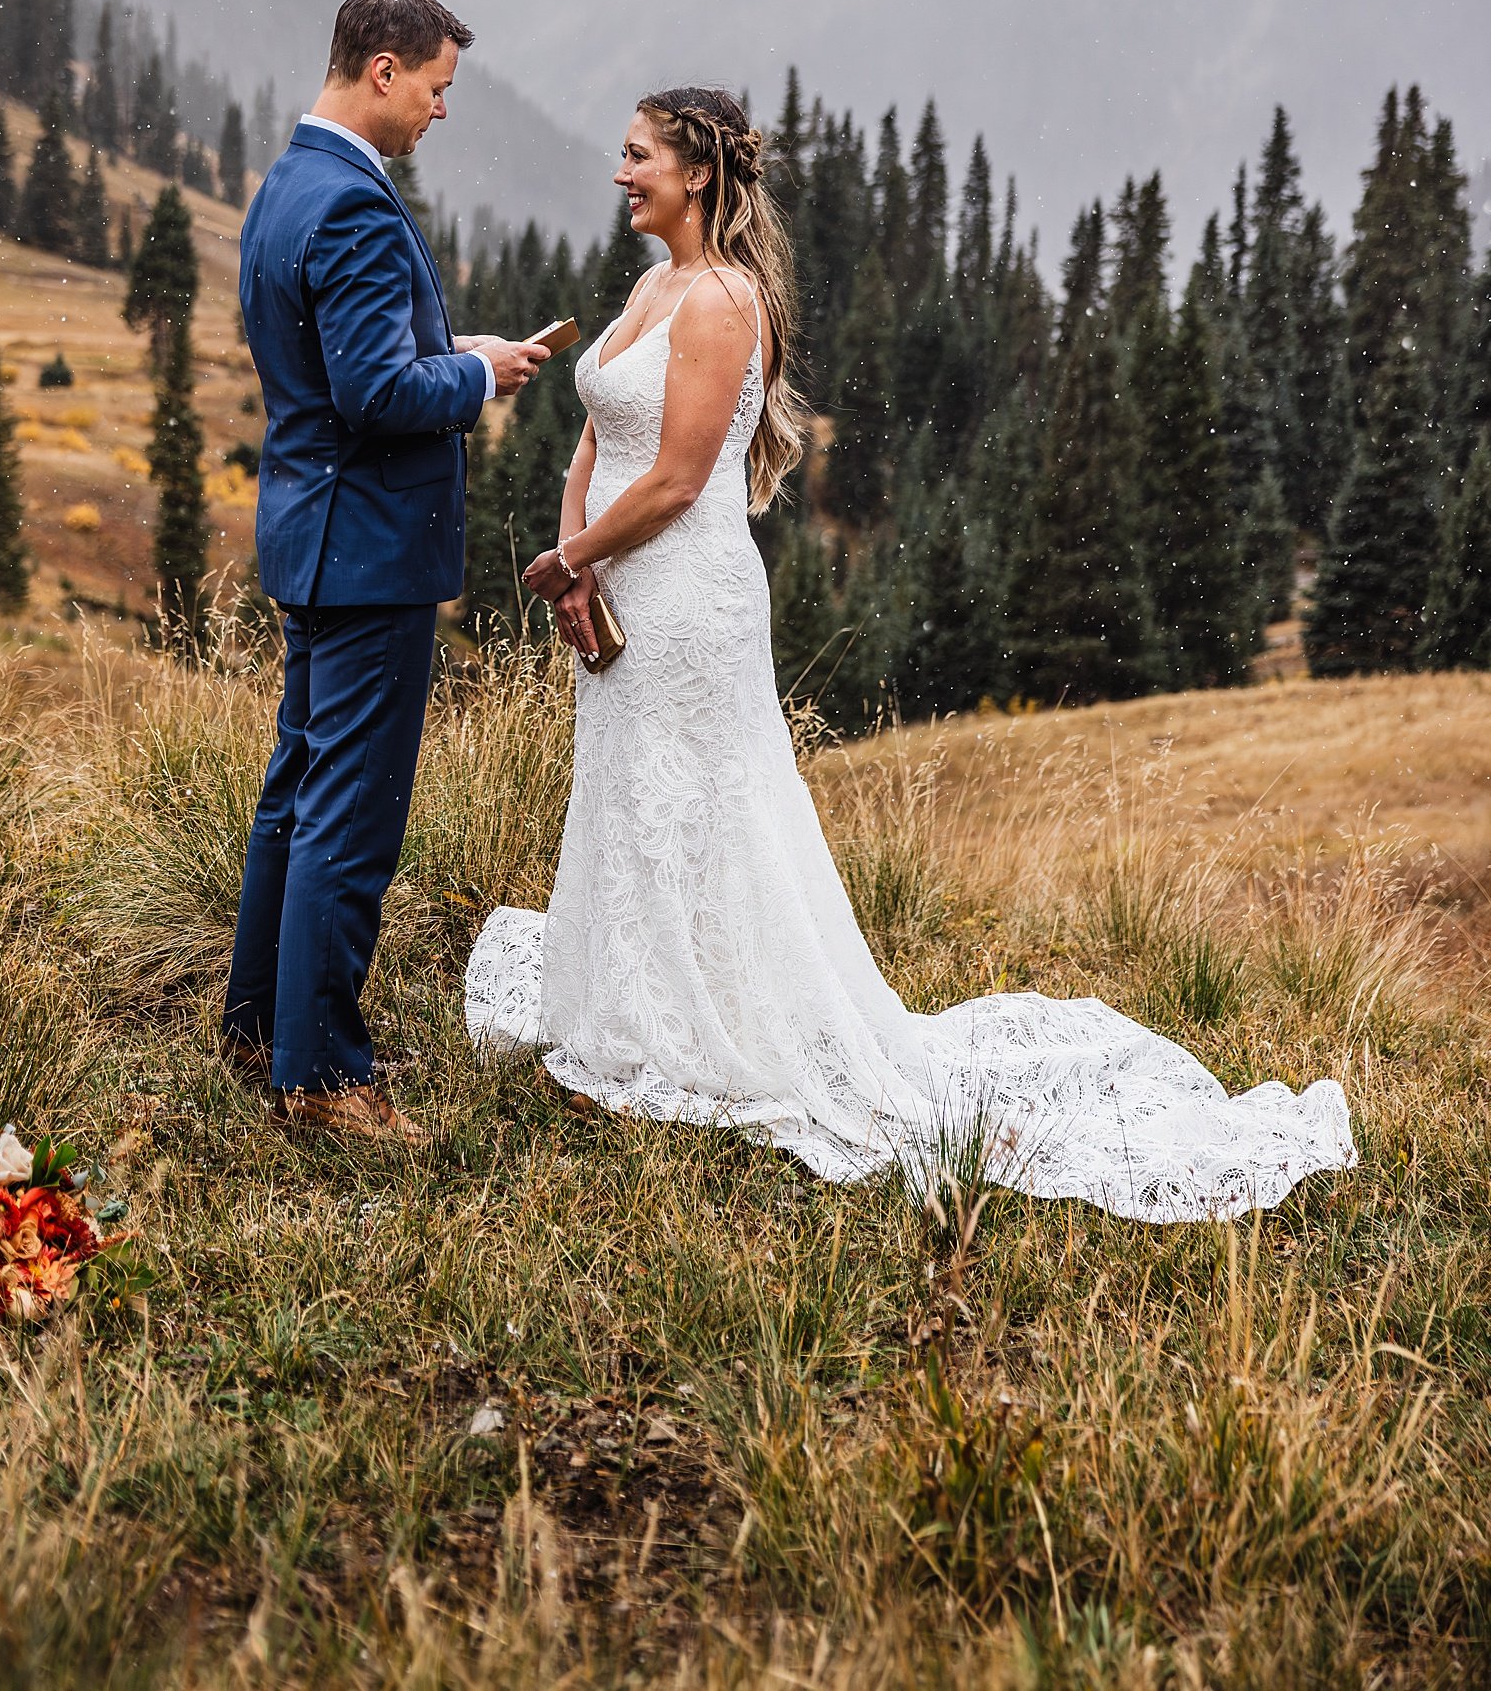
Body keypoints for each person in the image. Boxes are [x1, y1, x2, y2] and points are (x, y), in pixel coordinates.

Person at [465, 86, 1354, 1221]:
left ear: (696, 173)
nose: (619, 171)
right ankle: (630, 1013)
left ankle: (713, 1029)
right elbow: (599, 433)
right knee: (632, 793)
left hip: (691, 596)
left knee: (707, 802)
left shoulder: (729, 298)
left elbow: (685, 476)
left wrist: (575, 552)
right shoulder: (649, 287)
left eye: (637, 156)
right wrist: (571, 550)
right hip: (619, 586)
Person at [224, 0, 549, 1146]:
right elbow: (371, 394)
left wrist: (448, 346)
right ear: (382, 71)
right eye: (438, 86)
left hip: (312, 532)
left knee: (295, 797)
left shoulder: (290, 183)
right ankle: (320, 1078)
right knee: (349, 818)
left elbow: (323, 364)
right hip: (368, 549)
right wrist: (475, 380)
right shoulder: (359, 208)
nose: (441, 110)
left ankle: (257, 1024)